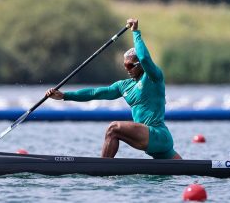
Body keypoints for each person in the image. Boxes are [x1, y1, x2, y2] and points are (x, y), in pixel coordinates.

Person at [46, 18, 182, 159]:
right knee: (184, 170)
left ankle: (101, 168)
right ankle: (107, 167)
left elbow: (145, 58)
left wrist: (135, 32)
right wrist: (64, 96)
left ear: (140, 64)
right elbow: (95, 93)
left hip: (157, 134)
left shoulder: (153, 77)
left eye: (130, 65)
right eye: (125, 66)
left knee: (113, 129)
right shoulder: (124, 86)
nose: (127, 69)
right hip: (152, 143)